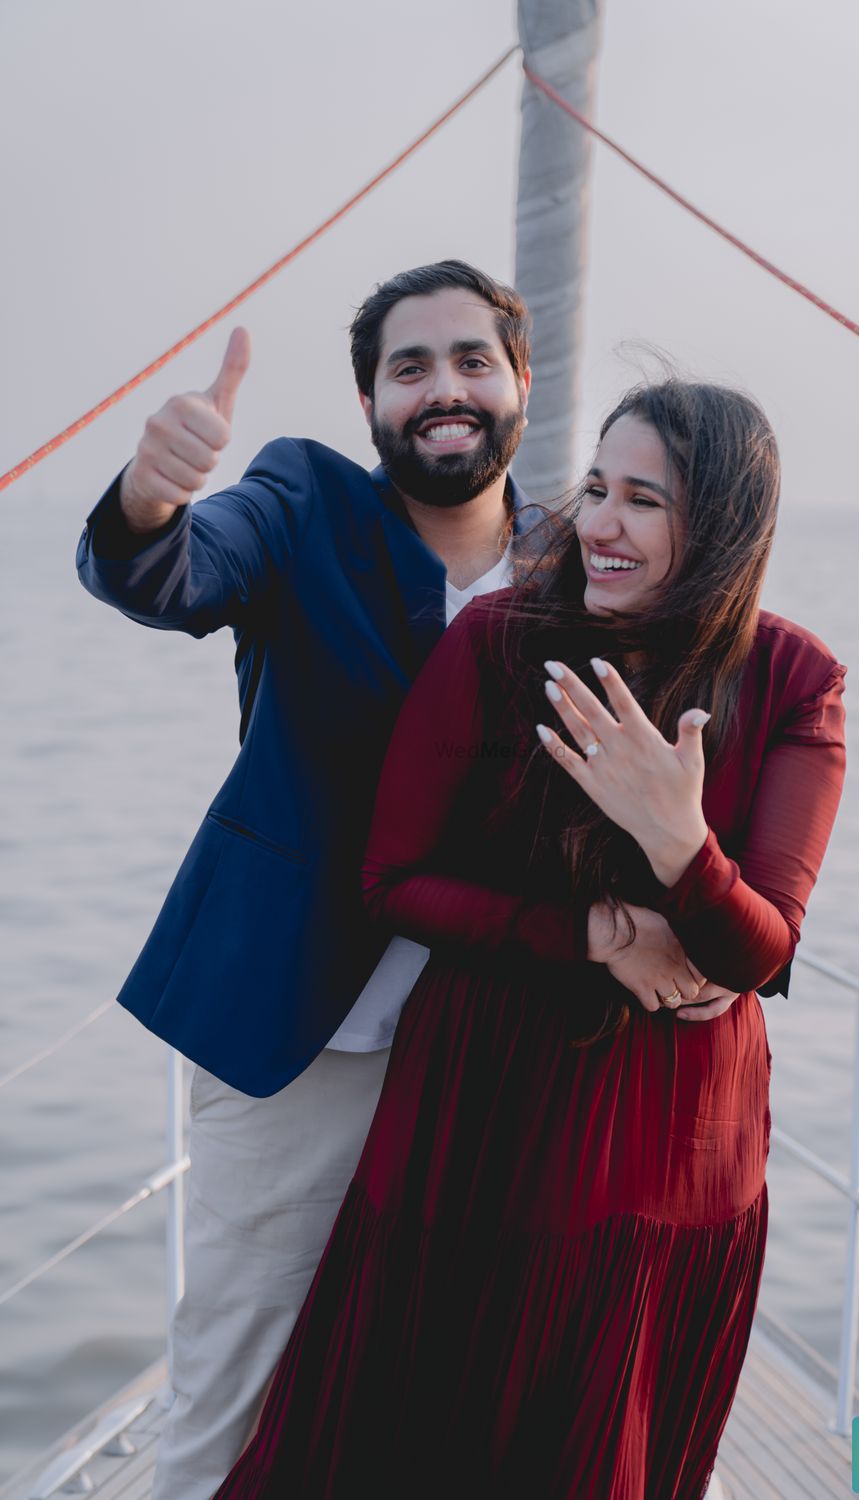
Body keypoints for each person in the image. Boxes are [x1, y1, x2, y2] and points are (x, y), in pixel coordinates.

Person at [213, 378, 847, 1499]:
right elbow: (392, 881)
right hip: (482, 1117)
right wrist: (593, 932)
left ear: (726, 526)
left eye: (643, 500)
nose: (598, 522)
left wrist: (678, 840)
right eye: (597, 487)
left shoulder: (797, 681)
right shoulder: (500, 642)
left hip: (671, 1153)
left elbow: (758, 950)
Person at [75, 259, 573, 1499]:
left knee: (456, 1367)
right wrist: (151, 498)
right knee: (237, 1363)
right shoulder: (300, 502)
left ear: (520, 383)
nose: (442, 388)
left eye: (472, 360)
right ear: (370, 407)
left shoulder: (572, 568)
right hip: (301, 1031)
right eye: (410, 367)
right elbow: (174, 572)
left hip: (499, 1044)